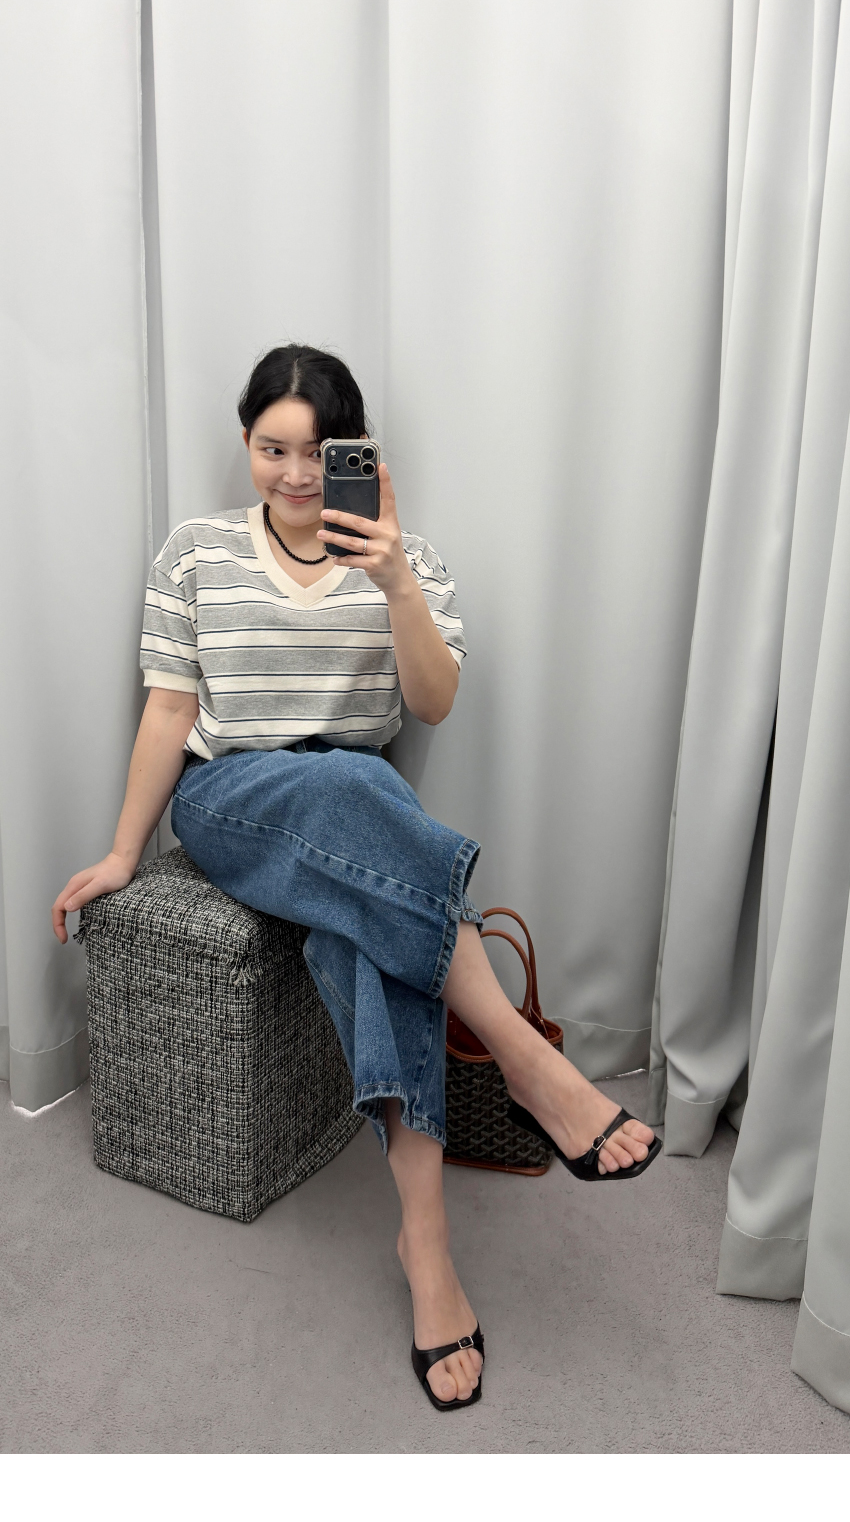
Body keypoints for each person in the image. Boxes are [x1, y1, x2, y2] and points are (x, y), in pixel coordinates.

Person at [52, 343, 659, 1413]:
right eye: (272, 448)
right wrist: (121, 853)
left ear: (358, 453)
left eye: (318, 451)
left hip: (356, 811)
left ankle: (426, 1244)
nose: (295, 474)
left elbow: (431, 704)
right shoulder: (195, 553)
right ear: (245, 442)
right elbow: (170, 709)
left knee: (361, 910)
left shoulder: (404, 559)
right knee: (357, 788)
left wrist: (392, 583)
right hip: (231, 800)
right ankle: (522, 1057)